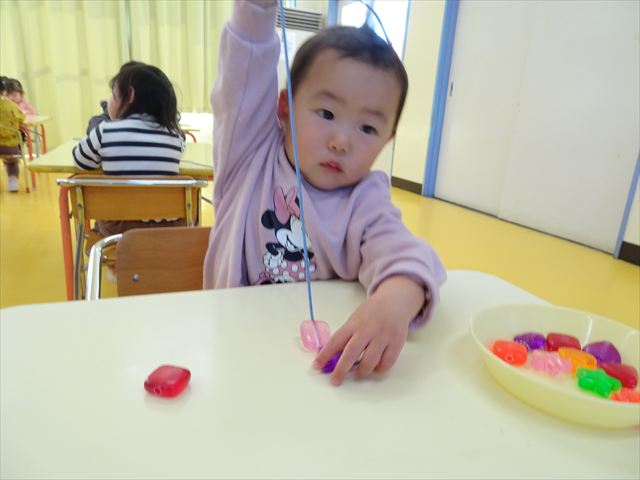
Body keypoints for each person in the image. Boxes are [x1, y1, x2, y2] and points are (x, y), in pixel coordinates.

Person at [203, 0, 447, 385]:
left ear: (387, 139)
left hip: (313, 369)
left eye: (368, 128)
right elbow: (244, 67)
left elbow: (405, 254)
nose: (341, 141)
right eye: (327, 114)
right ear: (285, 109)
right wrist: (256, 9)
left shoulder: (365, 200)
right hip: (234, 352)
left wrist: (395, 299)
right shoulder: (248, 152)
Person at [72, 61, 186, 238]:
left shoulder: (105, 131)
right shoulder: (176, 137)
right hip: (167, 231)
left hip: (119, 231)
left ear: (130, 95)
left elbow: (79, 160)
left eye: (113, 94)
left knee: (100, 218)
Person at [0, 76, 26, 192]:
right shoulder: (12, 106)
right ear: (4, 91)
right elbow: (22, 118)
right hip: (10, 147)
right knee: (12, 162)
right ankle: (13, 182)